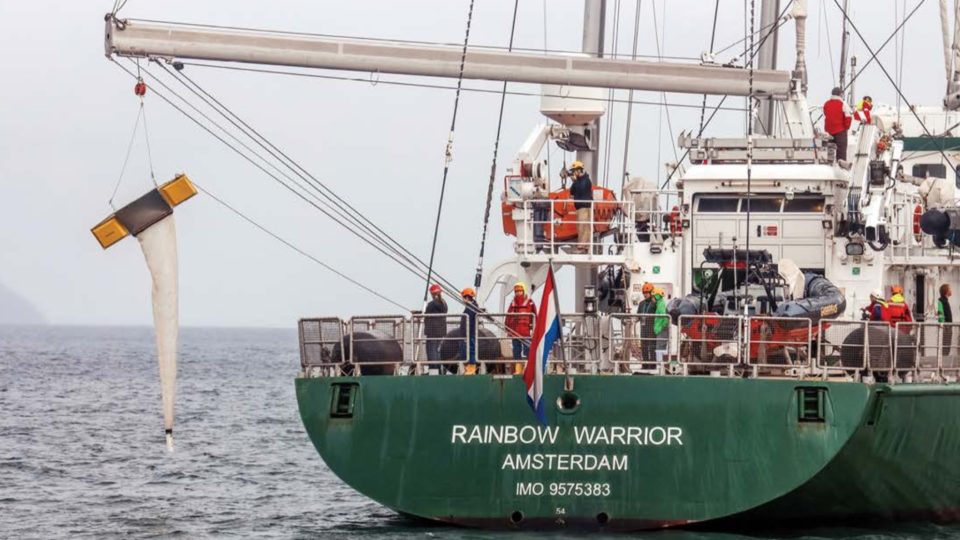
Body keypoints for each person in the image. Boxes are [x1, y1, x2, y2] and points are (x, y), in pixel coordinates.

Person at [505, 282, 537, 375]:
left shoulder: (530, 302)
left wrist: (535, 329)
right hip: (514, 332)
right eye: (516, 291)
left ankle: (528, 368)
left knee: (528, 350)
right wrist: (507, 328)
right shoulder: (513, 303)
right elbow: (508, 316)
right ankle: (518, 369)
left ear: (523, 291)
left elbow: (535, 316)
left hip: (526, 332)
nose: (518, 293)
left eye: (519, 291)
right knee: (516, 351)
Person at [568, 160, 594, 253]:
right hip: (583, 207)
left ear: (579, 170)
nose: (573, 173)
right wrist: (575, 181)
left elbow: (578, 189)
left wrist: (575, 181)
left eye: (574, 170)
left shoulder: (585, 181)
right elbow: (572, 191)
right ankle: (585, 246)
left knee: (583, 226)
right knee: (584, 226)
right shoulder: (581, 180)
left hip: (584, 207)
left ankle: (582, 247)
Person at [823, 87, 853, 162]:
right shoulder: (843, 103)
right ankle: (841, 166)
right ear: (840, 94)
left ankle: (829, 164)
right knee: (841, 151)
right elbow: (848, 117)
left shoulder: (826, 104)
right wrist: (846, 127)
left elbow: (825, 114)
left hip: (829, 131)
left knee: (830, 150)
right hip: (840, 131)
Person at [424, 283, 448, 373]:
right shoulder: (444, 303)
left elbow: (427, 314)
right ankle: (439, 369)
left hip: (432, 331)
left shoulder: (432, 304)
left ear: (432, 294)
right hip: (441, 332)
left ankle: (433, 370)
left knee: (431, 351)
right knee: (438, 351)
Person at [458, 287, 481, 372]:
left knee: (471, 349)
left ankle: (472, 367)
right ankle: (469, 367)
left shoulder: (472, 307)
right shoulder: (471, 306)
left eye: (464, 297)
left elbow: (470, 319)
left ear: (466, 297)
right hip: (467, 333)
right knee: (467, 350)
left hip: (470, 333)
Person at [637, 283, 658, 366]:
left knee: (652, 346)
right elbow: (638, 314)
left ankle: (653, 364)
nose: (645, 295)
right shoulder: (641, 303)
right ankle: (645, 364)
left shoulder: (655, 303)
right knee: (644, 346)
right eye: (644, 293)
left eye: (647, 293)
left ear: (651, 292)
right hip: (643, 327)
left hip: (652, 328)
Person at [652, 287, 670, 365]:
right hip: (660, 329)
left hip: (662, 329)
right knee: (660, 346)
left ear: (657, 296)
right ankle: (660, 363)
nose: (652, 299)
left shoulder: (661, 304)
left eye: (653, 297)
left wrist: (663, 327)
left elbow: (664, 317)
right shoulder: (659, 304)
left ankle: (660, 364)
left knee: (660, 346)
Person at [938, 284, 953, 358]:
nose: (951, 290)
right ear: (946, 291)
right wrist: (943, 325)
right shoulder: (941, 301)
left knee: (947, 345)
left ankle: (945, 358)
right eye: (949, 289)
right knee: (945, 345)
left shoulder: (945, 301)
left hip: (948, 326)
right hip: (946, 327)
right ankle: (943, 360)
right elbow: (940, 314)